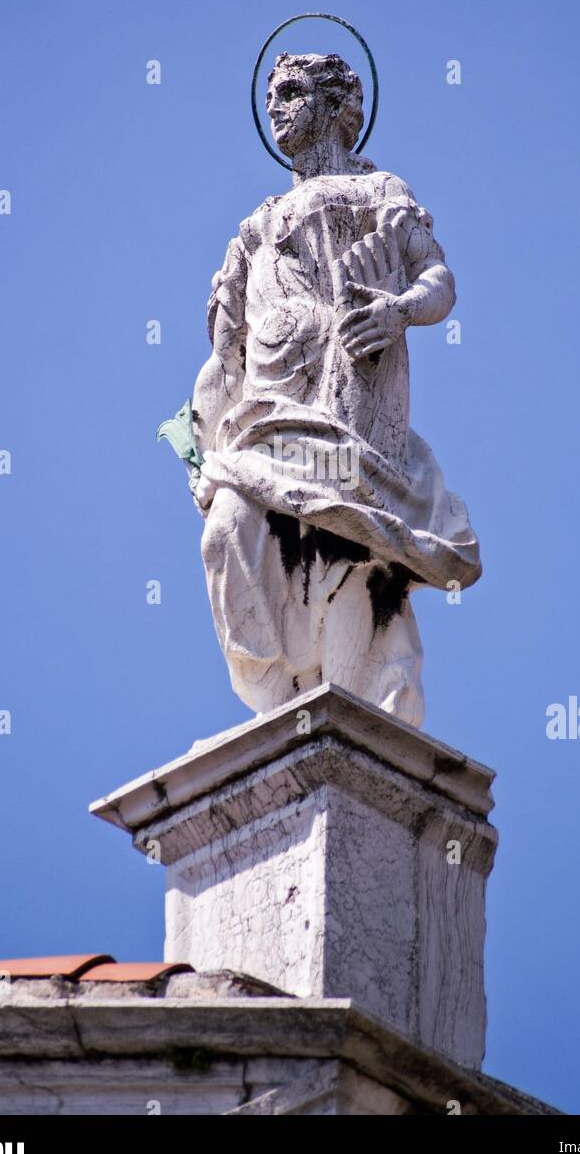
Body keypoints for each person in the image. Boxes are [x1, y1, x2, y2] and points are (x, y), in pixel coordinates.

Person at [189, 51, 480, 728]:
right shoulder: (256, 226)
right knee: (227, 530)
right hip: (266, 411)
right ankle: (274, 700)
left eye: (292, 92)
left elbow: (439, 281)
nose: (278, 108)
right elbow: (222, 356)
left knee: (348, 553)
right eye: (272, 98)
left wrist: (398, 310)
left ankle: (339, 704)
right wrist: (197, 438)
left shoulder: (381, 193)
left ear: (337, 106)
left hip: (355, 401)